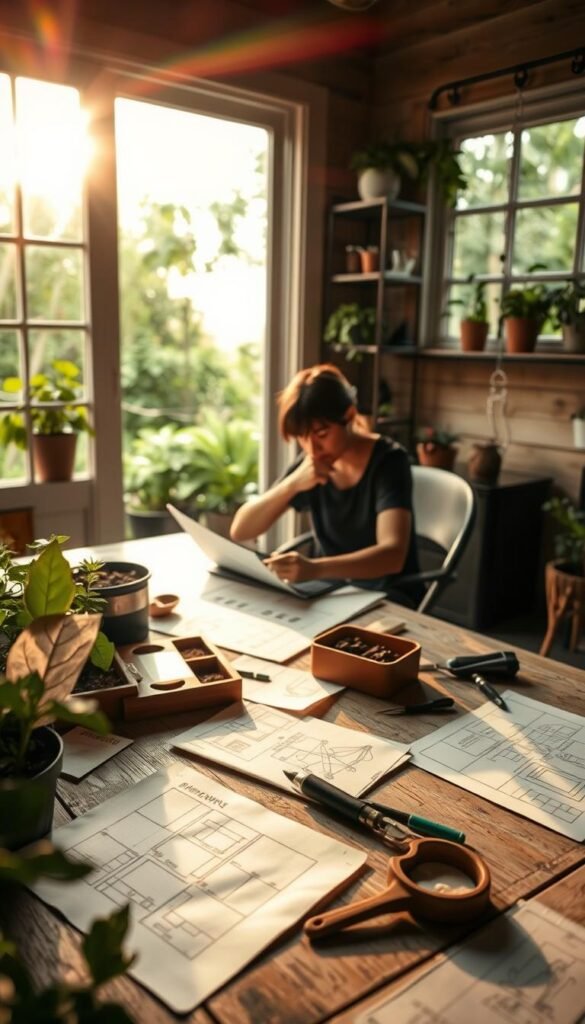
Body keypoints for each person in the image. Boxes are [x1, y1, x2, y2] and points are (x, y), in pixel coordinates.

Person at [230, 364, 423, 608]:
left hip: (387, 595)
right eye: (302, 436)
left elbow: (392, 555)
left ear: (350, 416)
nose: (311, 448)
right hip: (330, 593)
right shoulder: (312, 462)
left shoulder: (390, 462)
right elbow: (241, 530)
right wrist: (292, 484)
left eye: (321, 433)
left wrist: (314, 569)